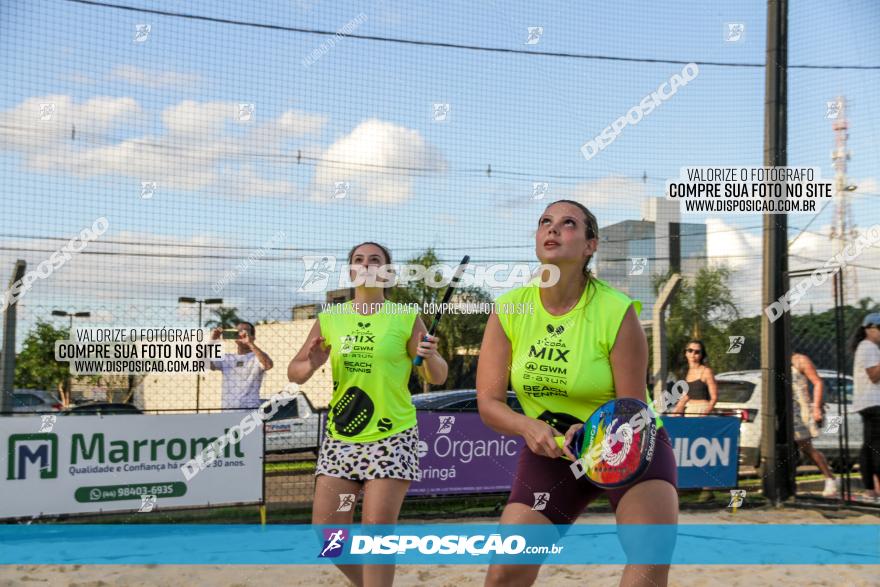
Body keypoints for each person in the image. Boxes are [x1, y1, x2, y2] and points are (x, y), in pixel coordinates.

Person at [476, 200, 678, 587]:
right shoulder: (509, 309)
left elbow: (629, 410)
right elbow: (489, 404)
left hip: (625, 444)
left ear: (590, 245)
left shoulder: (616, 311)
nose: (553, 229)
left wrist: (591, 435)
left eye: (568, 224)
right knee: (506, 571)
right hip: (552, 449)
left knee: (648, 560)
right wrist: (528, 427)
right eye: (545, 222)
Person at [288, 241, 448, 587]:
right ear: (350, 271)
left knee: (376, 533)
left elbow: (437, 376)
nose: (366, 264)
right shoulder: (330, 318)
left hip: (393, 434)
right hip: (341, 435)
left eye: (375, 260)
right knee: (328, 537)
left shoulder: (404, 316)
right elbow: (294, 372)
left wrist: (431, 356)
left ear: (387, 272)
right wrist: (311, 363)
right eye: (359, 259)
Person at [789, 351, 839, 498]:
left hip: (799, 409)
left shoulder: (800, 360)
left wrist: (816, 407)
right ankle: (787, 484)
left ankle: (830, 478)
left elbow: (817, 382)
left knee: (806, 447)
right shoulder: (772, 361)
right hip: (781, 409)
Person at [209, 321, 273, 410]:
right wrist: (212, 341)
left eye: (245, 331)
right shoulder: (226, 358)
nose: (241, 333)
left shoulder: (257, 357)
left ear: (253, 337)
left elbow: (268, 365)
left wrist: (250, 343)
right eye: (238, 331)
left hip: (250, 411)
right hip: (227, 411)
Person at [851, 312, 880, 503]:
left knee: (869, 448)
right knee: (876, 448)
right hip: (874, 404)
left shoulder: (868, 347)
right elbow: (874, 375)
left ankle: (870, 491)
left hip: (869, 403)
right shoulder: (868, 347)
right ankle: (872, 490)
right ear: (869, 329)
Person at [670, 340, 718, 416]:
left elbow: (714, 398)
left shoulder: (706, 371)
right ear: (686, 353)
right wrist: (673, 414)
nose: (693, 354)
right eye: (690, 350)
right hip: (689, 411)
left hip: (703, 409)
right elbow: (684, 397)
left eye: (697, 352)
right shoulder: (685, 372)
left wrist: (704, 414)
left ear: (701, 355)